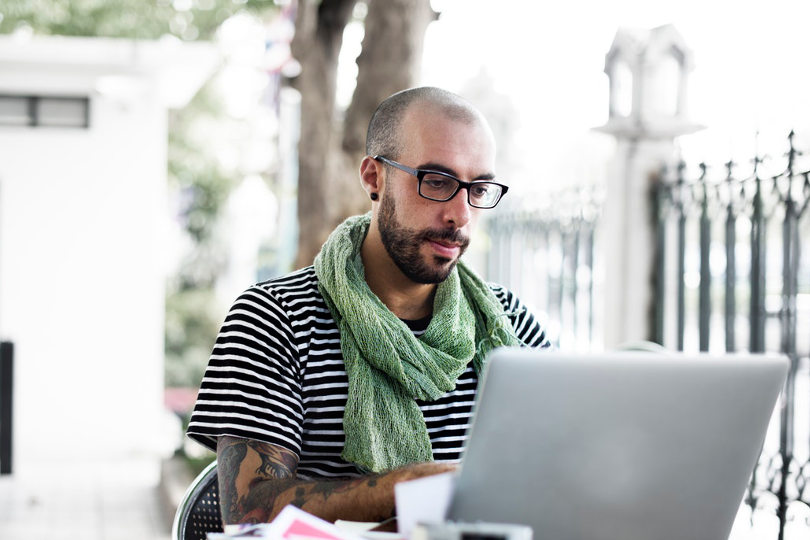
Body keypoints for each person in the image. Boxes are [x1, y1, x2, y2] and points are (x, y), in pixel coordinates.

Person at [186, 86, 550, 526]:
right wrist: (412, 487)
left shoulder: (509, 325)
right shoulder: (274, 318)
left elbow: (561, 475)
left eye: (478, 188)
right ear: (374, 178)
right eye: (437, 182)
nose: (461, 214)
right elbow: (249, 513)